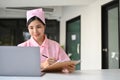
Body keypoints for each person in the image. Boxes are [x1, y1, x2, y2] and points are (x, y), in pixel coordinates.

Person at [18, 8, 75, 73]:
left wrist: (67, 68)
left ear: (44, 27)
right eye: (31, 28)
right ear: (28, 29)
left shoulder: (55, 45)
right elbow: (18, 68)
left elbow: (66, 63)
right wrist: (42, 65)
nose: (35, 31)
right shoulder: (22, 47)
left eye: (38, 27)